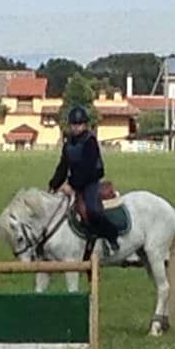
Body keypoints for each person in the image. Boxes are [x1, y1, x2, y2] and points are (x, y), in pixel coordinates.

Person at [48, 105, 120, 251]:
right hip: (75, 182)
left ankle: (112, 235)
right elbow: (63, 166)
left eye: (80, 124)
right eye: (74, 124)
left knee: (93, 210)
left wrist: (72, 185)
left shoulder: (90, 142)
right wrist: (54, 184)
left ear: (85, 125)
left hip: (90, 182)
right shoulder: (68, 145)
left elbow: (87, 168)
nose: (76, 128)